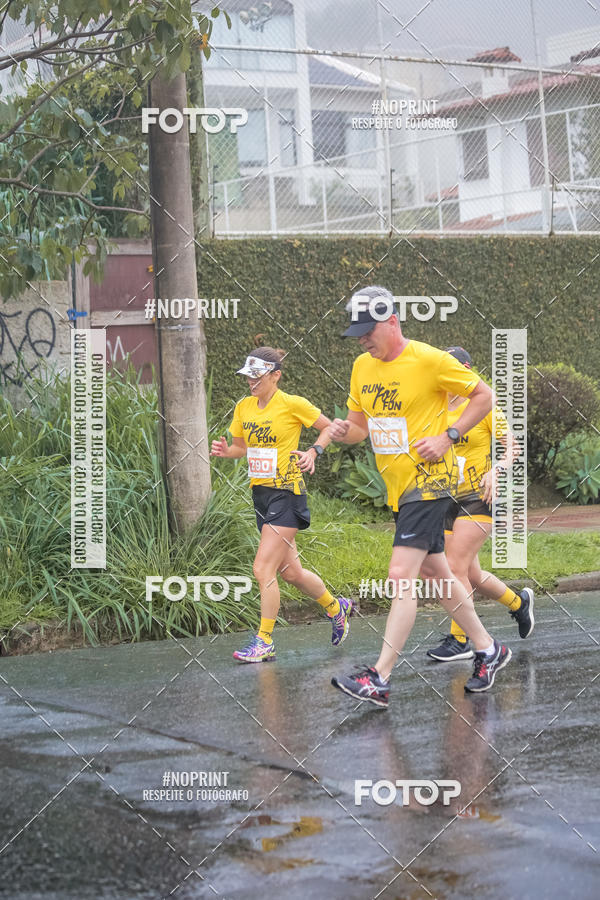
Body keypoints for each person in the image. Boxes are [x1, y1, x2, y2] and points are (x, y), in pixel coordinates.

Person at [329, 286, 512, 706]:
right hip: (400, 489)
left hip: (431, 483)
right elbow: (359, 427)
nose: (361, 339)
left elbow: (484, 396)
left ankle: (380, 677)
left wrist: (450, 435)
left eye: (367, 330)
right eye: (356, 332)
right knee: (439, 574)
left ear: (392, 321)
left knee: (400, 575)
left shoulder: (430, 360)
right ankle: (488, 648)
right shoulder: (362, 366)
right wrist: (343, 433)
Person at [211, 346, 353, 662]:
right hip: (261, 495)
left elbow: (330, 427)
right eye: (248, 377)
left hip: (287, 494)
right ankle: (336, 607)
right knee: (291, 572)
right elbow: (241, 448)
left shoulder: (292, 404)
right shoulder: (244, 407)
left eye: (257, 377)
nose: (251, 383)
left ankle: (265, 640)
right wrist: (226, 451)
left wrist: (313, 451)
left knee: (263, 568)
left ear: (276, 375)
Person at [426, 347, 534, 662]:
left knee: (454, 567)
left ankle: (460, 640)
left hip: (478, 496)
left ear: (466, 372)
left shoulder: (483, 407)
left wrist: (495, 470)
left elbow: (512, 446)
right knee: (470, 573)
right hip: (443, 498)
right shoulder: (434, 408)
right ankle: (518, 603)